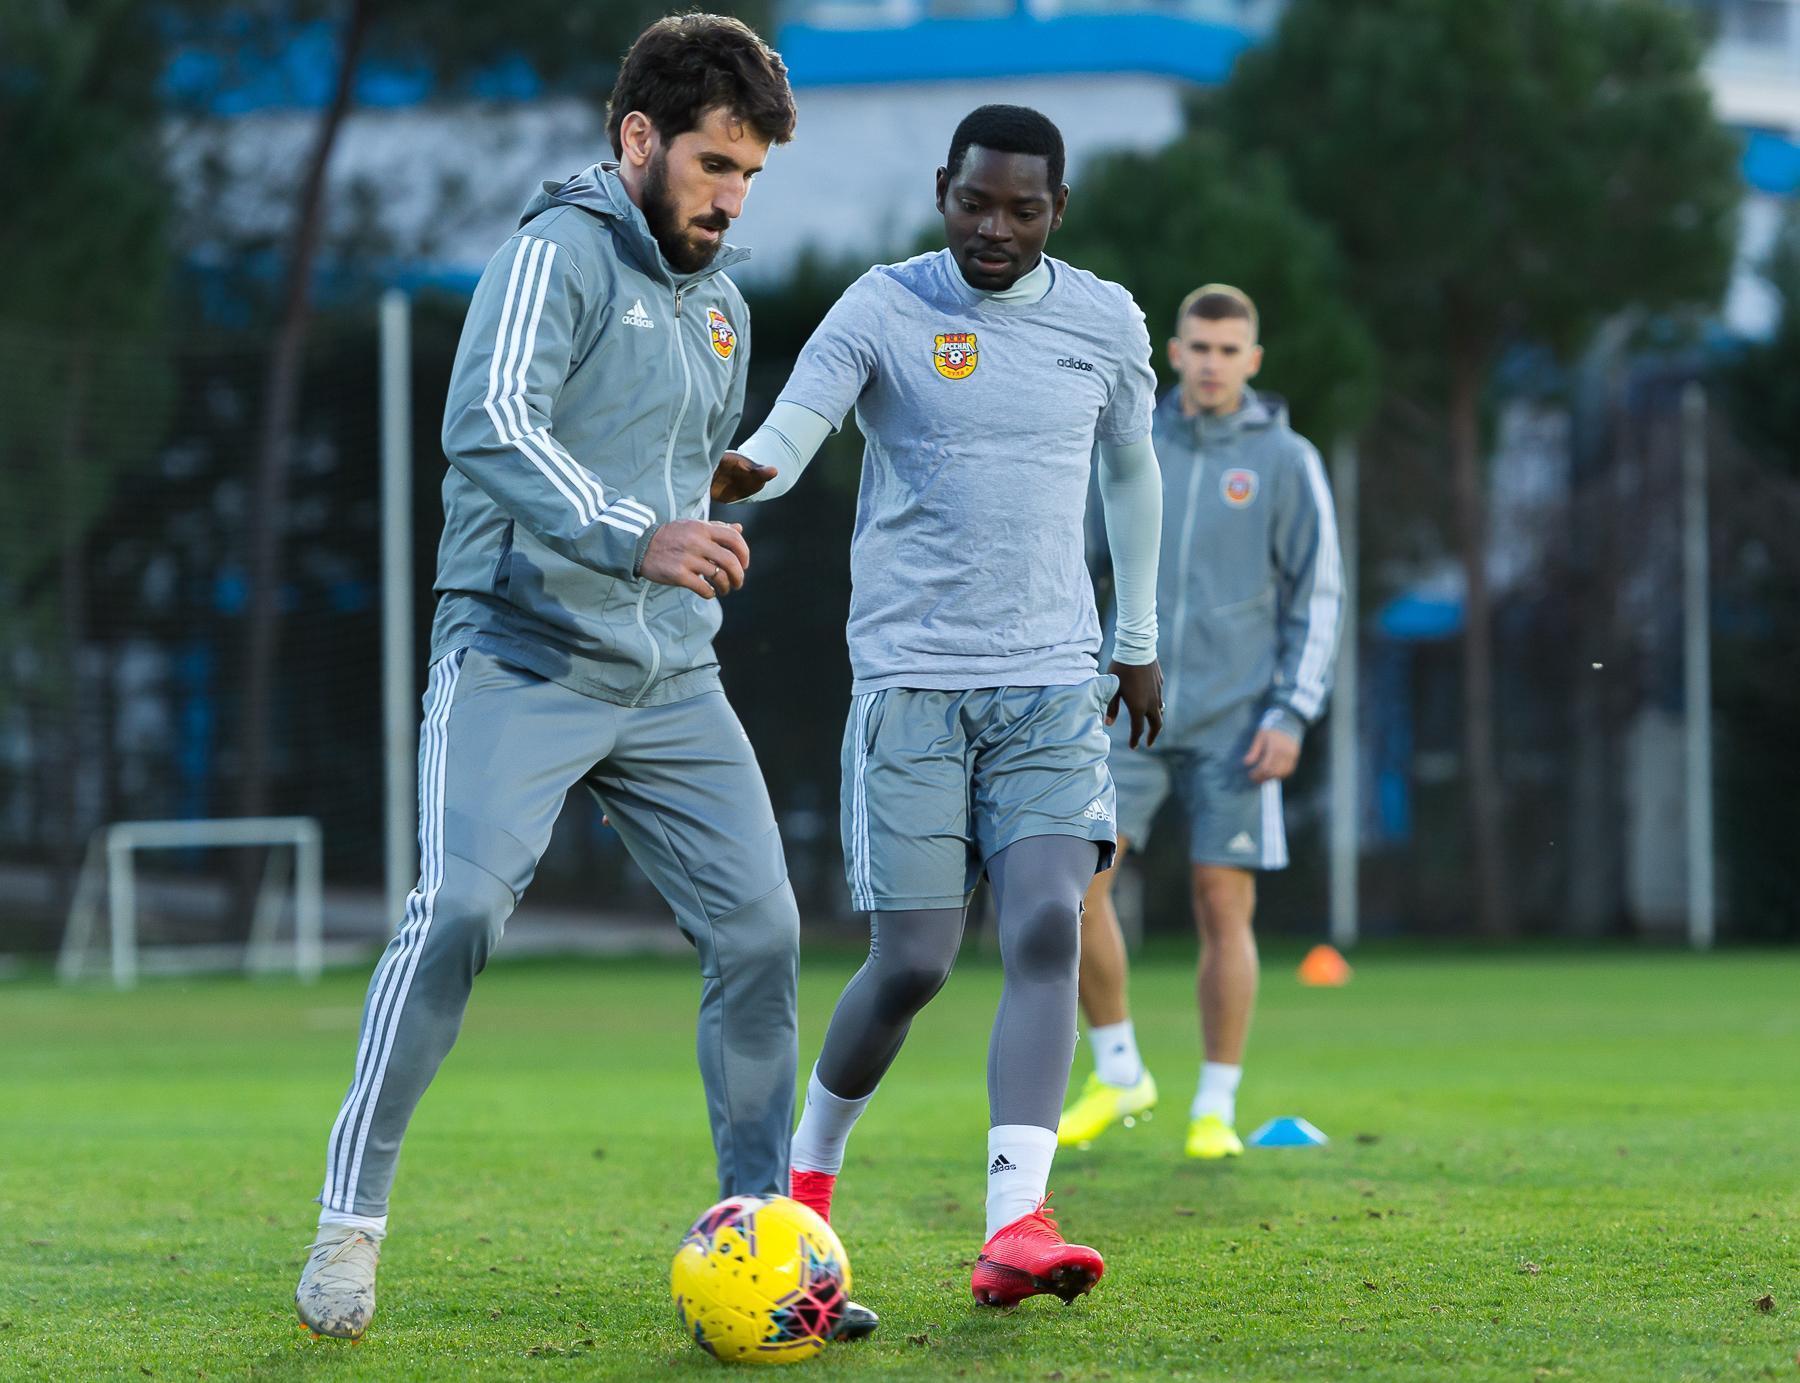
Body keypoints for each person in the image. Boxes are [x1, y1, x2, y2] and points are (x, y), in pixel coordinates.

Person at [293, 14, 886, 1343]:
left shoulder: (723, 305)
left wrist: (715, 498)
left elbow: (678, 468)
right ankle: (349, 1222)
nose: (733, 199)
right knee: (456, 910)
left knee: (762, 934)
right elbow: (489, 426)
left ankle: (766, 1252)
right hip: (520, 650)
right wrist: (639, 531)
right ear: (637, 139)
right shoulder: (551, 254)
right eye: (715, 165)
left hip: (669, 675)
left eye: (751, 176)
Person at [711, 104, 1164, 1308]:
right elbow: (799, 422)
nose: (994, 229)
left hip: (1052, 686)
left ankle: (1017, 1225)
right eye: (975, 203)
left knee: (1047, 925)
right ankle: (802, 1190)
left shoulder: (1106, 320)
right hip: (911, 687)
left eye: (1023, 210)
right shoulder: (883, 306)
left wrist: (1136, 641)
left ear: (1057, 211)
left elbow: (1133, 474)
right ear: (941, 191)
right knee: (914, 962)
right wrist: (747, 470)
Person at [1056, 284, 1343, 1161]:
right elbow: (1072, 566)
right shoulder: (1128, 442)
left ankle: (1214, 1107)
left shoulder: (1287, 459)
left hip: (1237, 721)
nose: (1212, 364)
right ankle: (1118, 1069)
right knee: (1073, 883)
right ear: (1174, 353)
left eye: (1229, 350)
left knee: (1224, 905)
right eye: (1199, 348)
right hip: (1124, 710)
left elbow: (1319, 595)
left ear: (1251, 360)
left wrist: (1292, 711)